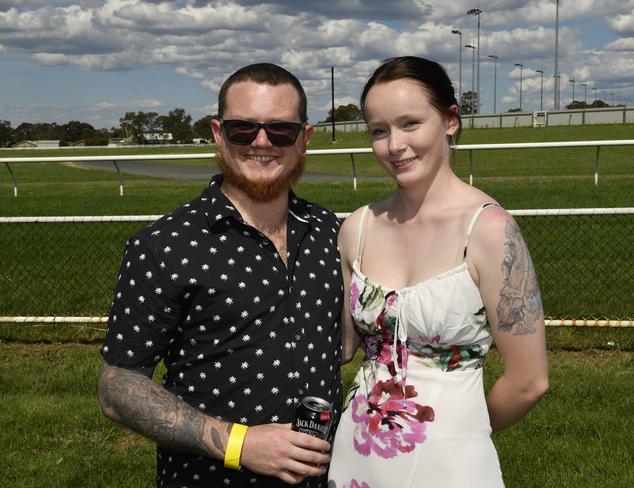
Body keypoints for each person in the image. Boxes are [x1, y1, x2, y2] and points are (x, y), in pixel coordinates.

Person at [98, 63, 343, 487]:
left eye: (280, 130)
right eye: (242, 129)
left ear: (305, 138)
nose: (261, 143)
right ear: (217, 133)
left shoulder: (331, 233)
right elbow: (118, 387)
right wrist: (240, 445)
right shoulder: (165, 244)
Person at [328, 56, 549, 487]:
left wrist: (460, 430)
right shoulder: (358, 229)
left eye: (410, 123)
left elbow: (529, 381)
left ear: (450, 120)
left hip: (452, 462)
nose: (394, 145)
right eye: (379, 130)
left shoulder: (490, 231)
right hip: (357, 454)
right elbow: (342, 348)